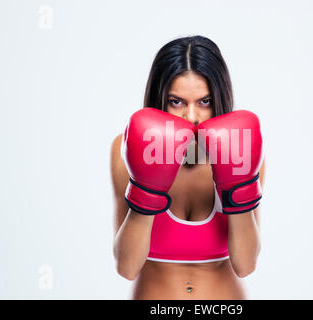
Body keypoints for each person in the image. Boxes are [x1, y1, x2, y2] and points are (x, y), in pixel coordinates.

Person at [110, 35, 265, 299]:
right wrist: (148, 185)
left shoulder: (241, 148)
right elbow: (127, 267)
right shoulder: (125, 148)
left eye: (204, 101)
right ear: (159, 98)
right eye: (176, 101)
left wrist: (237, 186)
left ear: (219, 98)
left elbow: (246, 265)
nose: (191, 116)